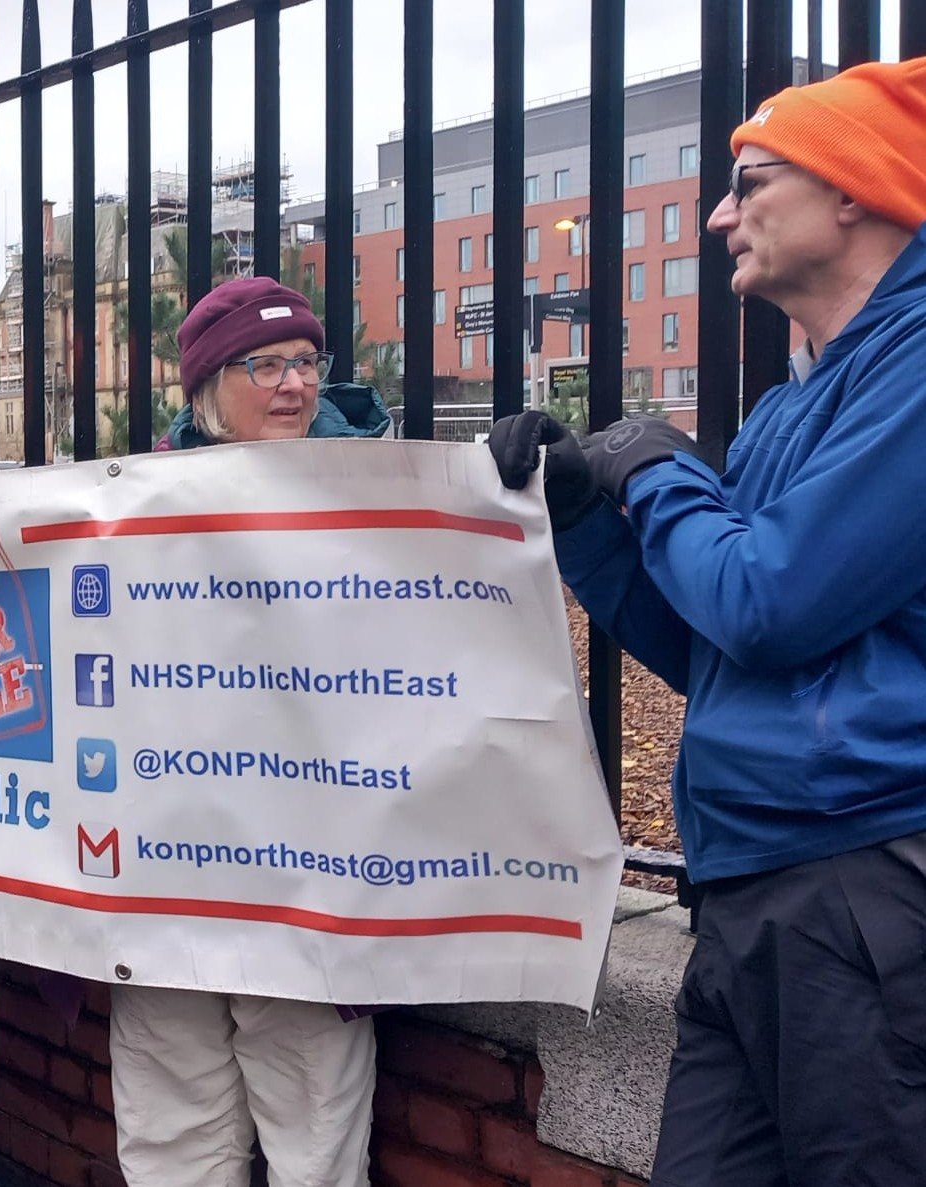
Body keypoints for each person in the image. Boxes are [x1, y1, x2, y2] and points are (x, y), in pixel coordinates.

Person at [487, 58, 926, 1185]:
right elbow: (715, 643)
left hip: (861, 876)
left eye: (749, 182)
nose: (720, 215)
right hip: (744, 887)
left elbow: (769, 601)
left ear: (851, 189)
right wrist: (586, 517)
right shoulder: (788, 405)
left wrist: (653, 469)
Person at [108, 276, 378, 1187]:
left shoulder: (379, 487)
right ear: (205, 386)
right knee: (169, 1116)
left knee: (314, 1118)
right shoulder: (134, 500)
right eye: (263, 365)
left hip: (312, 872)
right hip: (167, 865)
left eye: (305, 361)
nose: (293, 384)